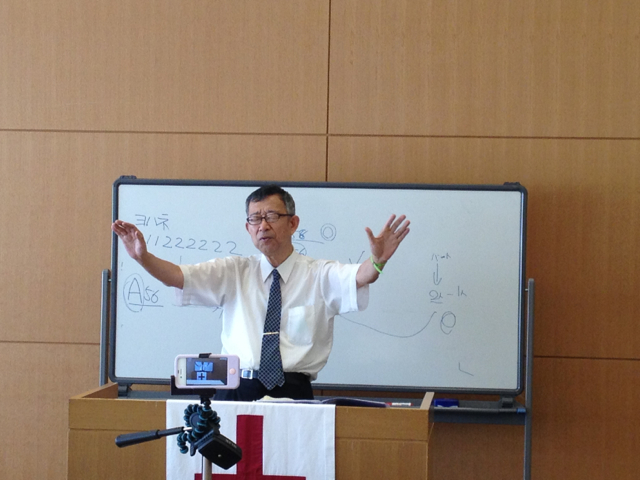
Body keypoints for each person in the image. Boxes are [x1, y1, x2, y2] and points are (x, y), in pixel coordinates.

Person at [112, 185, 410, 401]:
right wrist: (143, 258)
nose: (263, 225)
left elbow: (361, 276)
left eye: (271, 216)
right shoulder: (234, 271)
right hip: (236, 389)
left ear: (293, 223)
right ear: (248, 228)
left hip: (293, 391)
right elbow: (179, 277)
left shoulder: (319, 274)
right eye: (255, 219)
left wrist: (377, 261)